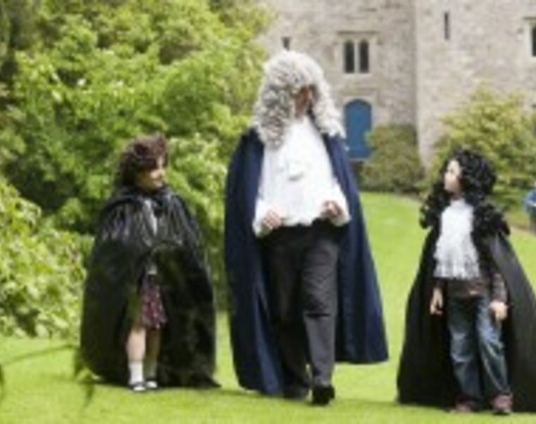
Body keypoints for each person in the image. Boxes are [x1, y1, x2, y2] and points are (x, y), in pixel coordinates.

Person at [224, 50, 388, 406]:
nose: (307, 97)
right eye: (300, 91)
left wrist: (336, 202)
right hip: (279, 236)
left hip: (320, 232)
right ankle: (295, 378)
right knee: (284, 309)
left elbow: (340, 181)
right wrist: (261, 212)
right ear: (280, 93)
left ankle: (322, 378)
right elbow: (247, 191)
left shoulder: (327, 133)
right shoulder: (257, 139)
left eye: (311, 90)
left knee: (318, 301)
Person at [397, 149, 536, 414]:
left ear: (467, 178)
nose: (446, 176)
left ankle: (500, 396)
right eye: (447, 171)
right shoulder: (444, 217)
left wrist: (500, 299)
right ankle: (470, 397)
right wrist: (437, 290)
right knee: (460, 349)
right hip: (454, 295)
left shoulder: (479, 217)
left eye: (453, 172)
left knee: (489, 342)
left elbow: (497, 265)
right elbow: (441, 259)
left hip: (483, 293)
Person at [80, 134, 217, 391]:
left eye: (163, 165)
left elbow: (187, 245)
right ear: (136, 173)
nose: (161, 173)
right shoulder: (122, 207)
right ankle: (136, 375)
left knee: (157, 327)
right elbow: (114, 249)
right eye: (154, 168)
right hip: (135, 283)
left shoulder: (172, 203)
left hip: (161, 282)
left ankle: (151, 373)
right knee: (137, 324)